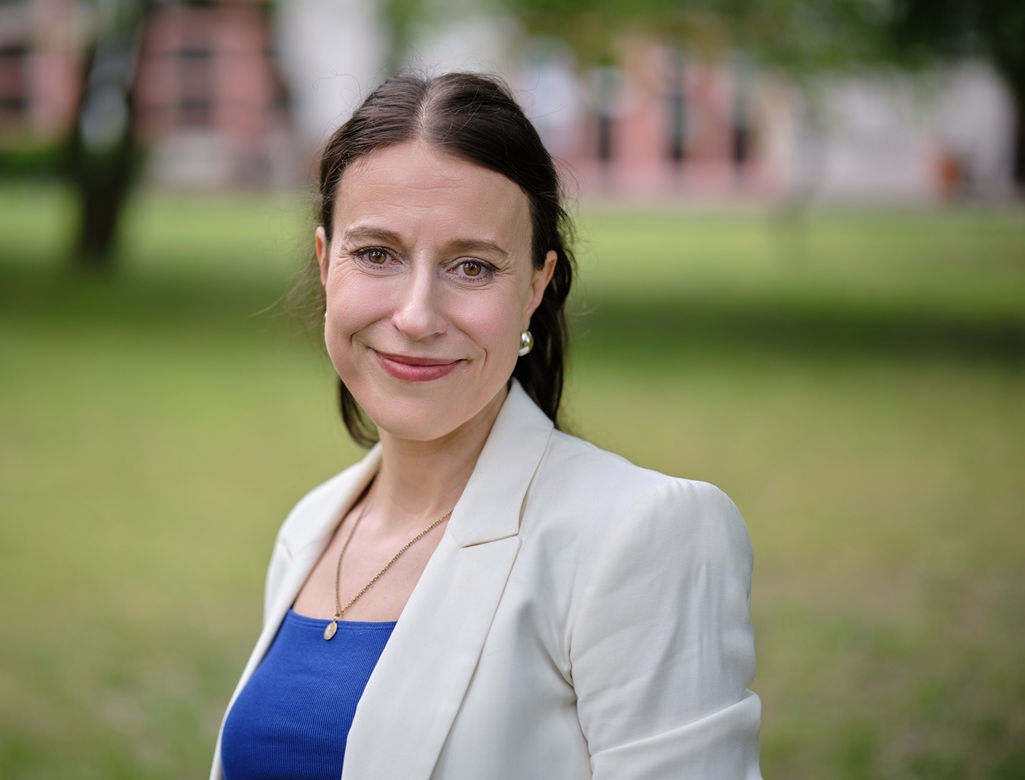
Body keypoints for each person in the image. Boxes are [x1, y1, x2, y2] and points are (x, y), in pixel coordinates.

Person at [211, 72, 762, 780]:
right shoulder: (311, 527)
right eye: (376, 254)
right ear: (325, 264)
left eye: (472, 266)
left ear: (535, 286)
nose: (416, 316)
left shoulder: (642, 535)